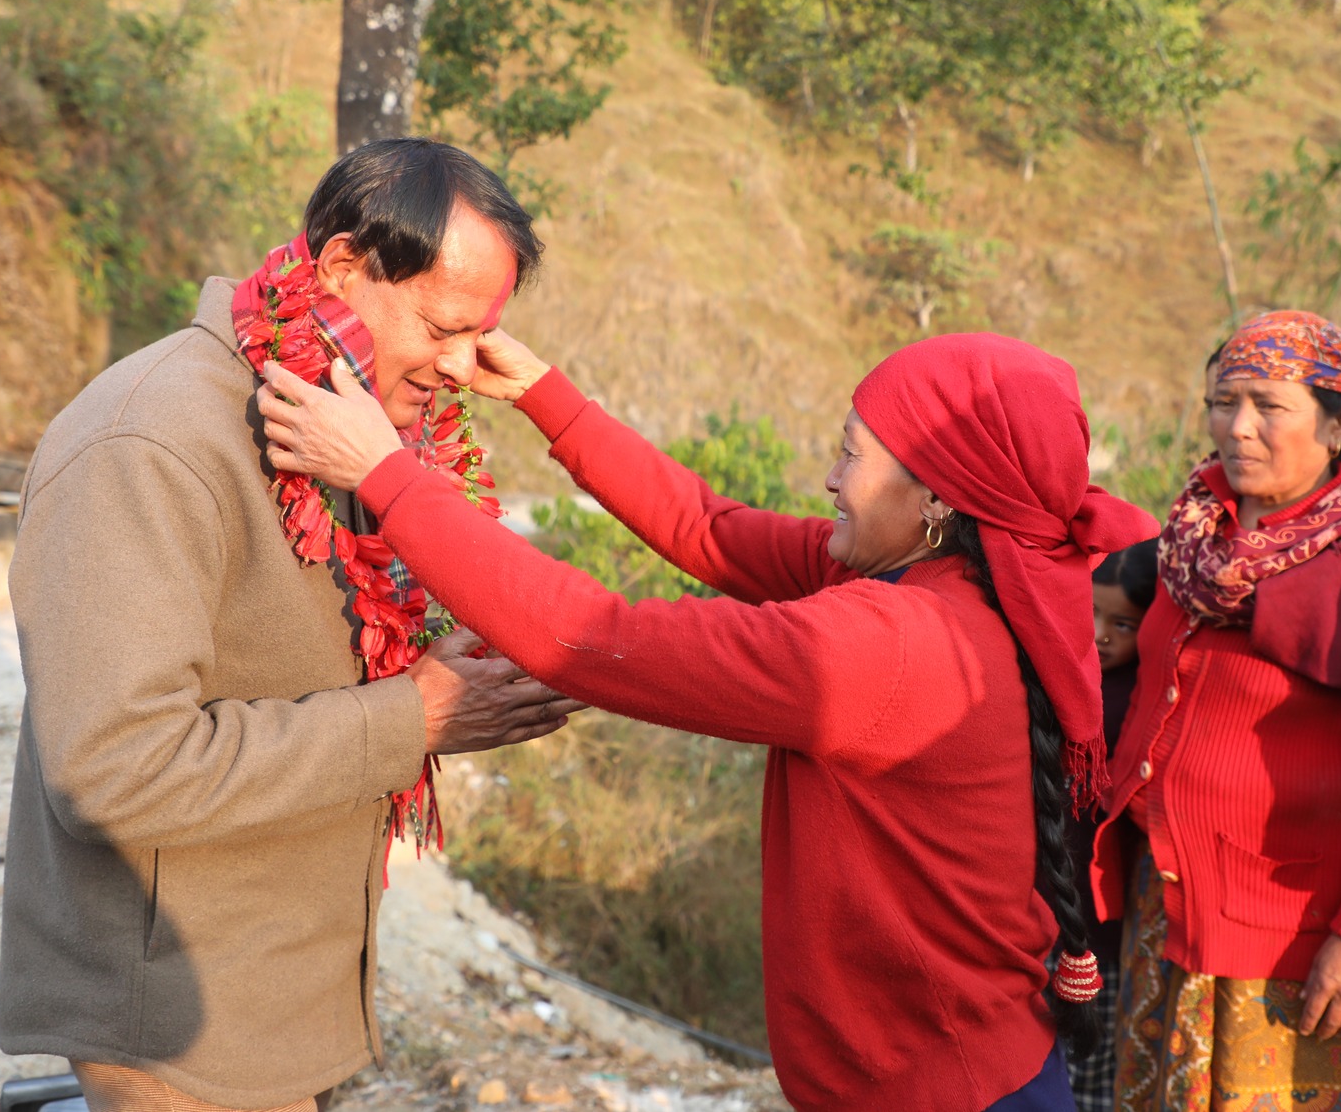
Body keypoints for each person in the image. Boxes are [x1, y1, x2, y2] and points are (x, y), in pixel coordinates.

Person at [255, 329, 1160, 1112]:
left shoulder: (895, 644)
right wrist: (543, 394)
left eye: (853, 453)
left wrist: (388, 478)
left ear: (937, 498)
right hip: (971, 1066)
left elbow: (597, 639)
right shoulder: (954, 579)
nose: (831, 477)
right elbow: (710, 528)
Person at [0, 140, 583, 1112]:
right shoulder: (151, 443)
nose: (457, 367)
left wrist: (451, 674)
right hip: (175, 1024)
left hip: (266, 993)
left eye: (477, 337)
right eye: (442, 327)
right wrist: (414, 719)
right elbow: (111, 769)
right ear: (345, 268)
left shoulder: (334, 417)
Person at [1092, 309, 1341, 1111]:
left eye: (1269, 406)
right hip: (1163, 907)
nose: (1239, 428)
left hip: (1290, 936)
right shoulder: (1194, 528)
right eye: (1223, 400)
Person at [1066, 541, 1157, 1112]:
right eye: (1091, 615)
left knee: (1095, 1077)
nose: (1101, 634)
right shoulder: (1066, 678)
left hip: (1107, 925)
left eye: (1121, 623)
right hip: (1053, 914)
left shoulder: (1143, 700)